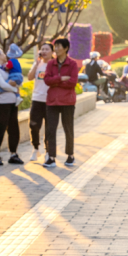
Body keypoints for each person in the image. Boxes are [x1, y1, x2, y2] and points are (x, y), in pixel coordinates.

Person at [42, 36, 80, 168]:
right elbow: (47, 80)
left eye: (58, 46)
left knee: (68, 129)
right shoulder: (50, 64)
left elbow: (72, 82)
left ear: (66, 48)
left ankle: (70, 155)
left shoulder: (72, 64)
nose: (56, 49)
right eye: (55, 46)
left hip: (67, 102)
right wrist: (61, 78)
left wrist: (55, 81)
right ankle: (51, 157)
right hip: (52, 101)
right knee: (50, 130)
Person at [0, 46, 24, 166]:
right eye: (2, 53)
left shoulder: (6, 68)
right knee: (0, 129)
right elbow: (2, 84)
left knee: (14, 129)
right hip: (2, 104)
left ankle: (13, 154)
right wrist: (15, 89)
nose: (5, 55)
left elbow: (17, 80)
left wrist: (15, 85)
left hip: (12, 103)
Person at [26, 41, 53, 162]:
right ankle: (36, 148)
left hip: (50, 100)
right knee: (34, 125)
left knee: (49, 127)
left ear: (52, 52)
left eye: (47, 49)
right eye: (42, 49)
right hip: (37, 99)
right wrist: (36, 64)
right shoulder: (37, 63)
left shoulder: (54, 65)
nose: (44, 51)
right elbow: (29, 77)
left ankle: (48, 151)